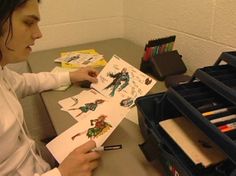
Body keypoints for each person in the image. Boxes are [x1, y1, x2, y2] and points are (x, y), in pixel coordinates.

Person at [0, 0, 102, 175]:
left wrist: (70, 75)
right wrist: (61, 174)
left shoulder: (3, 71)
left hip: (35, 160)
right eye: (28, 22)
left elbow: (24, 83)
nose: (38, 34)